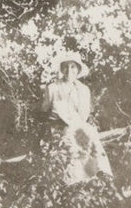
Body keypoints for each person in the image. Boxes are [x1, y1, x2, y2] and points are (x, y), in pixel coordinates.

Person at [45, 51, 113, 184]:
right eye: (66, 66)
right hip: (58, 125)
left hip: (77, 124)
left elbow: (84, 114)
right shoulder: (53, 87)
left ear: (78, 70)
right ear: (61, 69)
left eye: (73, 67)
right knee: (71, 136)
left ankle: (99, 169)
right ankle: (74, 178)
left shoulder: (83, 89)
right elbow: (44, 110)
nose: (69, 70)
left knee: (89, 131)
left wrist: (76, 122)